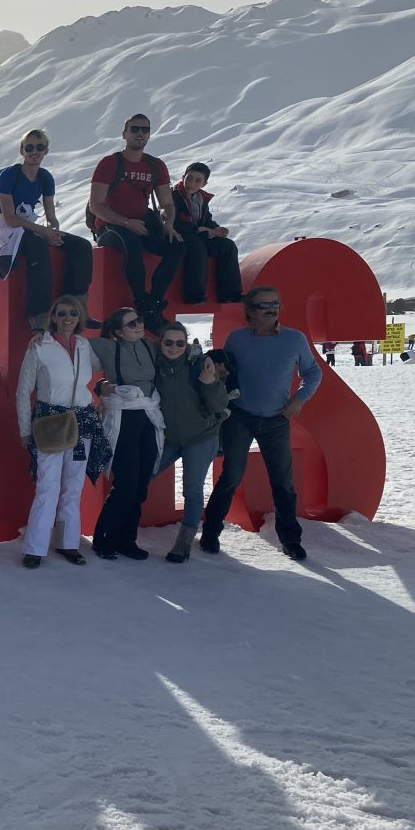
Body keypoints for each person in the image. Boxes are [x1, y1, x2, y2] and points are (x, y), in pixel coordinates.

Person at [200, 286, 322, 561]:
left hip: (277, 419)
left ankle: (290, 540)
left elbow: (313, 372)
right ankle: (210, 532)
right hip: (239, 417)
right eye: (263, 305)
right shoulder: (236, 339)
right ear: (249, 311)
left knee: (282, 482)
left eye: (275, 304)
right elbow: (227, 374)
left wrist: (300, 398)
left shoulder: (294, 339)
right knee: (230, 476)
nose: (271, 310)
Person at [15, 295, 110, 568]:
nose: (67, 317)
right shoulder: (38, 346)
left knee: (73, 486)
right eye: (62, 313)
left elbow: (99, 370)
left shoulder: (83, 345)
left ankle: (69, 543)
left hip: (82, 424)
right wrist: (24, 429)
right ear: (53, 317)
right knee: (47, 485)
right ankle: (35, 547)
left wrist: (101, 389)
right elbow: (23, 392)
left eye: (73, 313)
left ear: (80, 317)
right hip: (51, 423)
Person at [0, 131, 95, 332]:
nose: (34, 152)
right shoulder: (9, 175)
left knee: (81, 246)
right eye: (29, 147)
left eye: (39, 147)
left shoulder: (45, 177)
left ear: (46, 150)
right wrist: (43, 232)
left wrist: (53, 231)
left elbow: (51, 216)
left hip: (30, 225)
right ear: (21, 150)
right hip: (7, 230)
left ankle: (75, 307)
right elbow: (9, 218)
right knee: (37, 246)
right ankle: (39, 316)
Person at [87, 115, 184, 334]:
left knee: (176, 246)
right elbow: (96, 205)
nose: (140, 133)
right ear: (125, 134)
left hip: (141, 222)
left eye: (145, 129)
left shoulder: (156, 165)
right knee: (132, 245)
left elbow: (166, 202)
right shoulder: (109, 163)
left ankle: (154, 303)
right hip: (111, 225)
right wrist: (125, 222)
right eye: (134, 129)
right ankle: (141, 301)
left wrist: (168, 223)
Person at [88, 307, 165, 560]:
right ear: (118, 332)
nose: (139, 326)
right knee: (125, 484)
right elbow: (70, 345)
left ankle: (127, 541)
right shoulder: (107, 347)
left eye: (140, 320)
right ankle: (104, 540)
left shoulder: (151, 346)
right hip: (124, 418)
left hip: (149, 417)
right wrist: (101, 386)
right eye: (132, 324)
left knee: (141, 484)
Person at [151, 324, 231, 562]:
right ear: (160, 343)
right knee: (141, 475)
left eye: (179, 343)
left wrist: (210, 382)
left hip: (200, 437)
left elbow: (219, 406)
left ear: (186, 345)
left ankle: (183, 544)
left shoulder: (198, 365)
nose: (174, 348)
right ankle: (120, 531)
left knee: (192, 489)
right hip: (170, 437)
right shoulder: (155, 365)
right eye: (169, 343)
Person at [172, 163, 241, 304]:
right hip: (179, 234)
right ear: (183, 177)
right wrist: (203, 230)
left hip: (198, 233)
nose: (191, 183)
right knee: (197, 247)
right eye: (189, 178)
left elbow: (205, 219)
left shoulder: (202, 199)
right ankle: (194, 295)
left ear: (204, 183)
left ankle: (230, 293)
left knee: (227, 246)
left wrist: (216, 229)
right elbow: (171, 221)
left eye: (197, 180)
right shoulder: (173, 196)